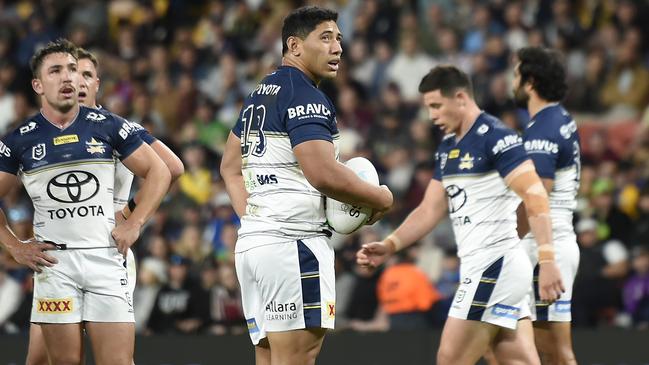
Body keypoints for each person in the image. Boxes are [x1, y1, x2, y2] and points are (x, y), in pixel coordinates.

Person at [356, 65, 564, 365]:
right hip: (489, 268)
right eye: (428, 108)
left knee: (450, 359)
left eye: (437, 106)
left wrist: (547, 260)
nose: (432, 116)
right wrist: (390, 245)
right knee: (513, 359)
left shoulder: (496, 137)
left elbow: (535, 195)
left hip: (493, 266)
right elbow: (429, 210)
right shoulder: (448, 148)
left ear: (461, 98)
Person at [220, 6, 393, 365]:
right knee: (298, 357)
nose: (338, 49)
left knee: (270, 358)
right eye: (326, 38)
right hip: (292, 246)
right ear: (294, 46)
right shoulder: (305, 95)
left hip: (256, 246)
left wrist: (255, 221)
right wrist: (381, 197)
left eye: (340, 39)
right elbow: (322, 173)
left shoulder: (259, 94)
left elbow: (229, 168)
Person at [0, 39, 170, 365]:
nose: (68, 78)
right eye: (56, 71)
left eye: (73, 70)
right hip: (55, 266)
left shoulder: (109, 126)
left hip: (106, 258)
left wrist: (134, 222)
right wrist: (15, 246)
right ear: (38, 84)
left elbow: (163, 170)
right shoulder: (20, 139)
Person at [511, 46, 581, 365]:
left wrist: (506, 241)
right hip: (555, 243)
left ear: (530, 82)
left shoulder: (543, 131)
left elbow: (536, 198)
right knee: (545, 351)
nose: (512, 79)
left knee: (553, 352)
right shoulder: (560, 119)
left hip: (544, 248)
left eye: (516, 73)